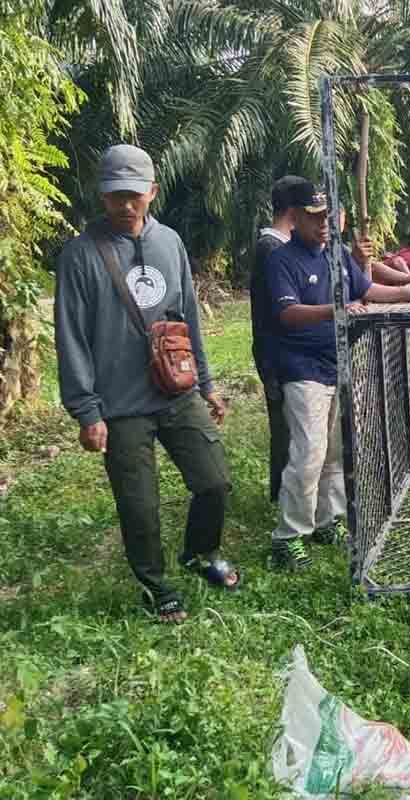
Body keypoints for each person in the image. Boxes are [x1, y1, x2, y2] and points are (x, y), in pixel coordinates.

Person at [54, 144, 241, 623]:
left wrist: (206, 383)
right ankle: (155, 584)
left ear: (152, 192)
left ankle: (200, 554)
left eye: (134, 195)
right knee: (139, 505)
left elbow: (189, 319)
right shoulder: (79, 255)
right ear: (102, 197)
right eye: (115, 195)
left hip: (176, 391)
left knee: (214, 481)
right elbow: (70, 334)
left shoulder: (169, 242)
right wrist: (87, 410)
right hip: (120, 404)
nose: (125, 205)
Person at [264, 182, 410, 570]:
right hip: (303, 369)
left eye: (329, 216)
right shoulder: (280, 259)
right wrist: (334, 310)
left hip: (339, 365)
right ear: (295, 219)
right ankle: (288, 537)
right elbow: (287, 314)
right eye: (315, 218)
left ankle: (326, 520)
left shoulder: (335, 255)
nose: (324, 224)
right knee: (309, 452)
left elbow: (368, 291)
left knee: (335, 451)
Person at [253, 175, 306, 503]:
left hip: (285, 351)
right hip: (277, 353)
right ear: (294, 212)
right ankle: (286, 495)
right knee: (286, 429)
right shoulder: (271, 248)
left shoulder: (279, 246)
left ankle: (289, 492)